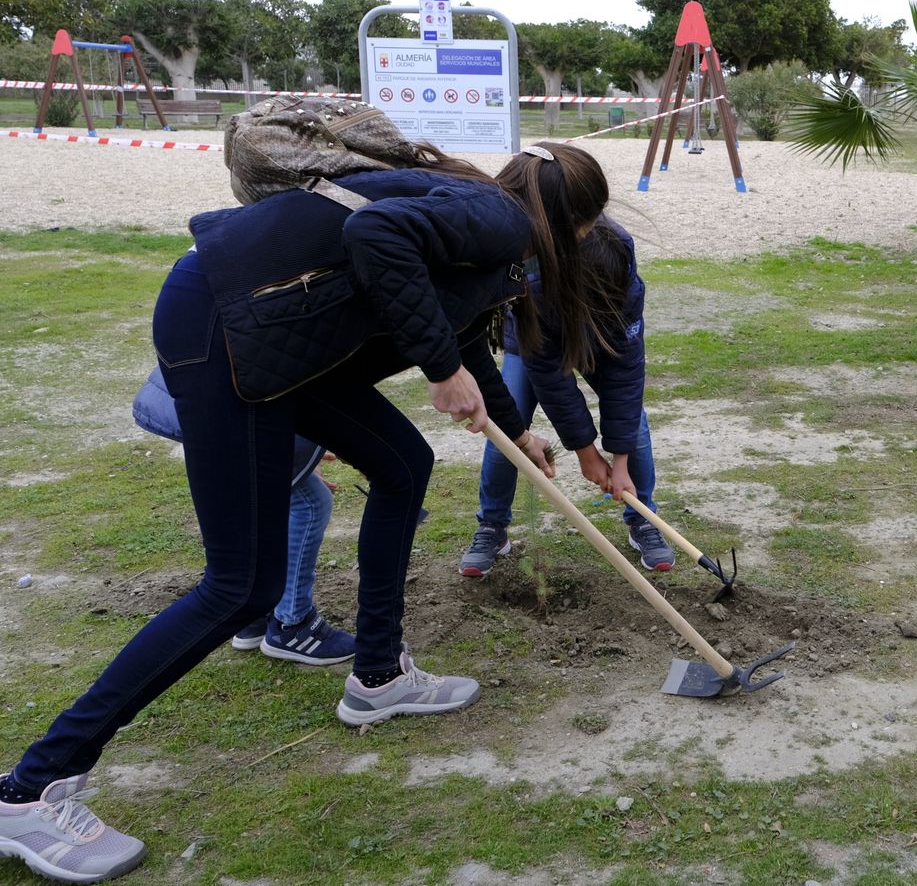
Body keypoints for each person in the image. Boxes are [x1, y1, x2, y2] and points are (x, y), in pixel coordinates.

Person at [0, 138, 615, 882]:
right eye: (587, 230)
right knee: (239, 586)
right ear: (569, 218)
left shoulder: (482, 218)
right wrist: (442, 374)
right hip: (229, 327)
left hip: (271, 331)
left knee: (403, 464)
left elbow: (459, 319)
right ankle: (34, 788)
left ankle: (379, 678)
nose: (584, 244)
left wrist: (516, 427)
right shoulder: (499, 218)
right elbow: (373, 236)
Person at [462, 173, 672, 575]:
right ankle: (493, 525)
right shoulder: (537, 285)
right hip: (535, 334)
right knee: (508, 425)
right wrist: (586, 452)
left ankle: (642, 516)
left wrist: (619, 462)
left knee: (635, 425)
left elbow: (624, 379)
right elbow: (553, 381)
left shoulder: (618, 267)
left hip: (600, 335)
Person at [133, 366, 355, 663]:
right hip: (232, 398)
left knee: (263, 496)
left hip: (201, 392)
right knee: (311, 502)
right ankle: (294, 624)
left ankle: (252, 614)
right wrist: (307, 450)